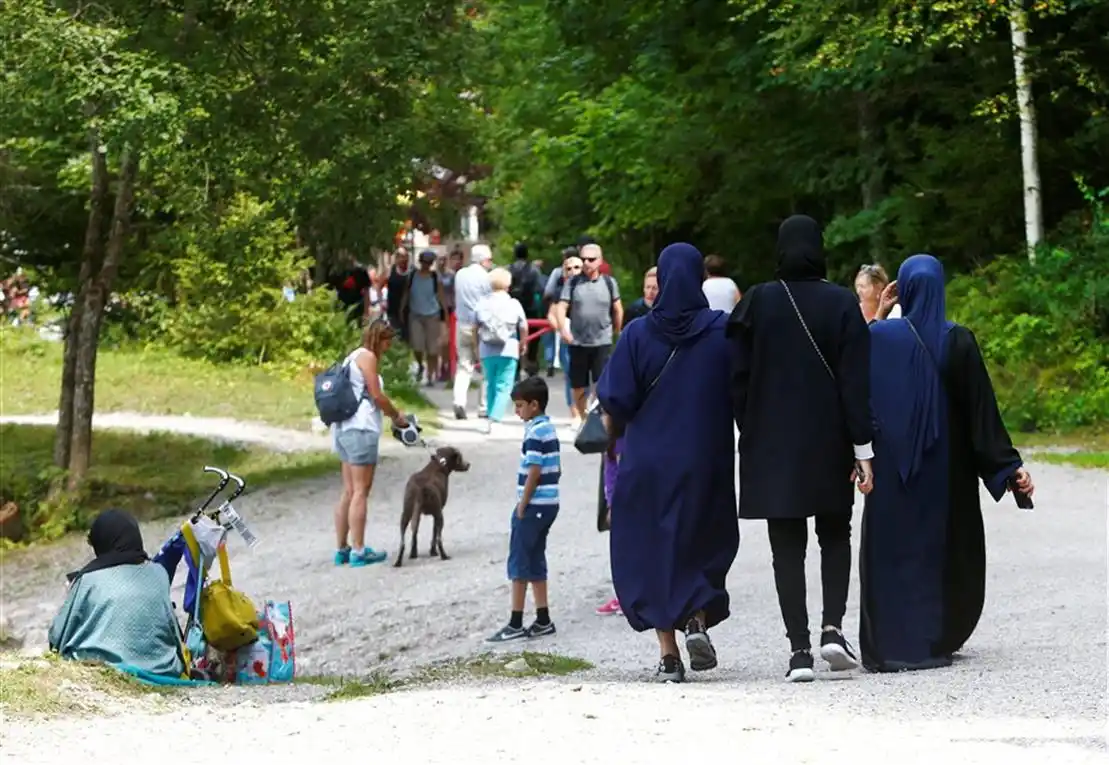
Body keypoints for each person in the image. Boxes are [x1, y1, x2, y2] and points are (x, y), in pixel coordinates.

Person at [860, 253, 1035, 672]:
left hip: (893, 471)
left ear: (900, 287)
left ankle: (890, 641)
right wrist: (1008, 467)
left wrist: (882, 314)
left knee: (893, 553)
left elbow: (857, 376)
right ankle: (937, 634)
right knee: (944, 552)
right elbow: (981, 415)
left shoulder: (882, 337)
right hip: (948, 473)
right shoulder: (957, 340)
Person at [726, 214, 874, 683]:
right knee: (835, 534)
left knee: (785, 548)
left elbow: (736, 376)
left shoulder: (757, 301)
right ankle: (833, 628)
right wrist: (863, 449)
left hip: (772, 442)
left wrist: (748, 427)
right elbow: (856, 382)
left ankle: (799, 652)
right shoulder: (842, 303)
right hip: (829, 440)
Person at [596, 242, 739, 683]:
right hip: (705, 456)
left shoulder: (638, 333)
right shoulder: (722, 331)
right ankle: (696, 614)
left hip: (648, 459)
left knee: (652, 548)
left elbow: (616, 397)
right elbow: (743, 389)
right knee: (700, 538)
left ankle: (669, 655)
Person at [48, 510, 186, 679]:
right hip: (163, 669)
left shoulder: (87, 580)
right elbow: (172, 630)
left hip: (105, 669)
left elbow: (57, 636)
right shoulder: (159, 572)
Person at [487, 377, 561, 642]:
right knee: (536, 559)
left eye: (519, 406)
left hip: (533, 505)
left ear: (534, 404)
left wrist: (522, 504)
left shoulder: (534, 432)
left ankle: (515, 622)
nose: (517, 411)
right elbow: (556, 469)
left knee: (519, 562)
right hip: (549, 504)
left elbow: (535, 470)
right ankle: (543, 619)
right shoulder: (549, 428)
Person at [333, 319, 409, 567]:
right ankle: (359, 550)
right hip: (361, 429)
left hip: (343, 428)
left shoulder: (351, 356)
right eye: (388, 342)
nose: (388, 348)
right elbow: (376, 395)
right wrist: (397, 415)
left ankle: (341, 548)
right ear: (382, 339)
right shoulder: (368, 358)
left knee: (348, 491)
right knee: (360, 492)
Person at [555, 243, 623, 424]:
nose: (586, 263)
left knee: (602, 383)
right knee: (578, 384)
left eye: (591, 259)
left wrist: (618, 330)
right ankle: (583, 418)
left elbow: (617, 308)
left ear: (600, 261)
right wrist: (563, 329)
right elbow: (561, 307)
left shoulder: (609, 282)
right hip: (578, 341)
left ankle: (599, 417)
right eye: (583, 259)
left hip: (602, 340)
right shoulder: (573, 282)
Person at [475, 267, 529, 430]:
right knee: (504, 384)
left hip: (487, 348)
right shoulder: (514, 303)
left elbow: (473, 326)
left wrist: (475, 346)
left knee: (490, 382)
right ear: (508, 284)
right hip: (509, 348)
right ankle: (496, 418)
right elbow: (523, 326)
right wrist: (523, 343)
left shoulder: (482, 303)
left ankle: (491, 414)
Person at [451, 244, 494, 419]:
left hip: (462, 324)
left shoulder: (460, 274)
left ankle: (459, 401)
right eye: (490, 259)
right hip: (481, 326)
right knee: (485, 367)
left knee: (464, 365)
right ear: (484, 260)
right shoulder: (487, 278)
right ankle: (483, 407)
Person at [401, 250, 447, 386]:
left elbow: (440, 295)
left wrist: (445, 313)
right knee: (417, 345)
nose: (426, 265)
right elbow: (406, 293)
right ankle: (421, 365)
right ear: (420, 262)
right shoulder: (412, 276)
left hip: (432, 315)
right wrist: (401, 309)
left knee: (433, 349)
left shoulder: (434, 277)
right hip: (415, 315)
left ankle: (431, 376)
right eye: (424, 262)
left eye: (429, 262)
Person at [545, 251, 583, 413]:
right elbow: (551, 315)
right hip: (567, 339)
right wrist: (562, 328)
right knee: (571, 376)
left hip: (590, 338)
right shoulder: (559, 291)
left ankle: (587, 411)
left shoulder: (594, 287)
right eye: (568, 268)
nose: (573, 271)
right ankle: (574, 411)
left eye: (577, 267)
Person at [508, 242, 544, 376]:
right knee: (533, 339)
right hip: (531, 309)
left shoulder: (509, 269)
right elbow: (540, 288)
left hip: (513, 309)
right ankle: (532, 366)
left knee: (513, 338)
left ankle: (515, 369)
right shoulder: (533, 270)